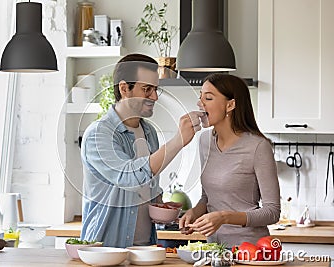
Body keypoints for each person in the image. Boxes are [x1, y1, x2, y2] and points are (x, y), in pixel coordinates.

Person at [80, 53, 204, 248]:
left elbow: (147, 187)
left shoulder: (149, 132)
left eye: (155, 89)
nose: (154, 97)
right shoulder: (99, 134)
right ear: (124, 89)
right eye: (147, 89)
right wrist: (178, 140)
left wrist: (164, 208)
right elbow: (130, 176)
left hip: (144, 248)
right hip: (105, 248)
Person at [179, 73, 280, 247]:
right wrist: (194, 212)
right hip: (214, 248)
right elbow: (208, 197)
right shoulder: (204, 140)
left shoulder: (258, 146)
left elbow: (272, 212)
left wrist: (225, 217)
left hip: (250, 250)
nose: (200, 103)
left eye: (208, 98)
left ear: (230, 105)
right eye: (200, 97)